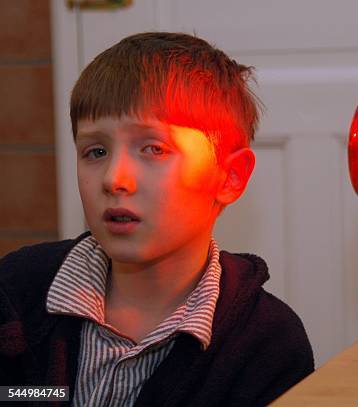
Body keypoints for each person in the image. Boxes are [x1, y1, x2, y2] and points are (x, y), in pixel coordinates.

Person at [0, 32, 314, 406]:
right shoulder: (17, 291)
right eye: (95, 151)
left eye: (153, 148)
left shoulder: (268, 344)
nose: (115, 178)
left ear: (230, 177)